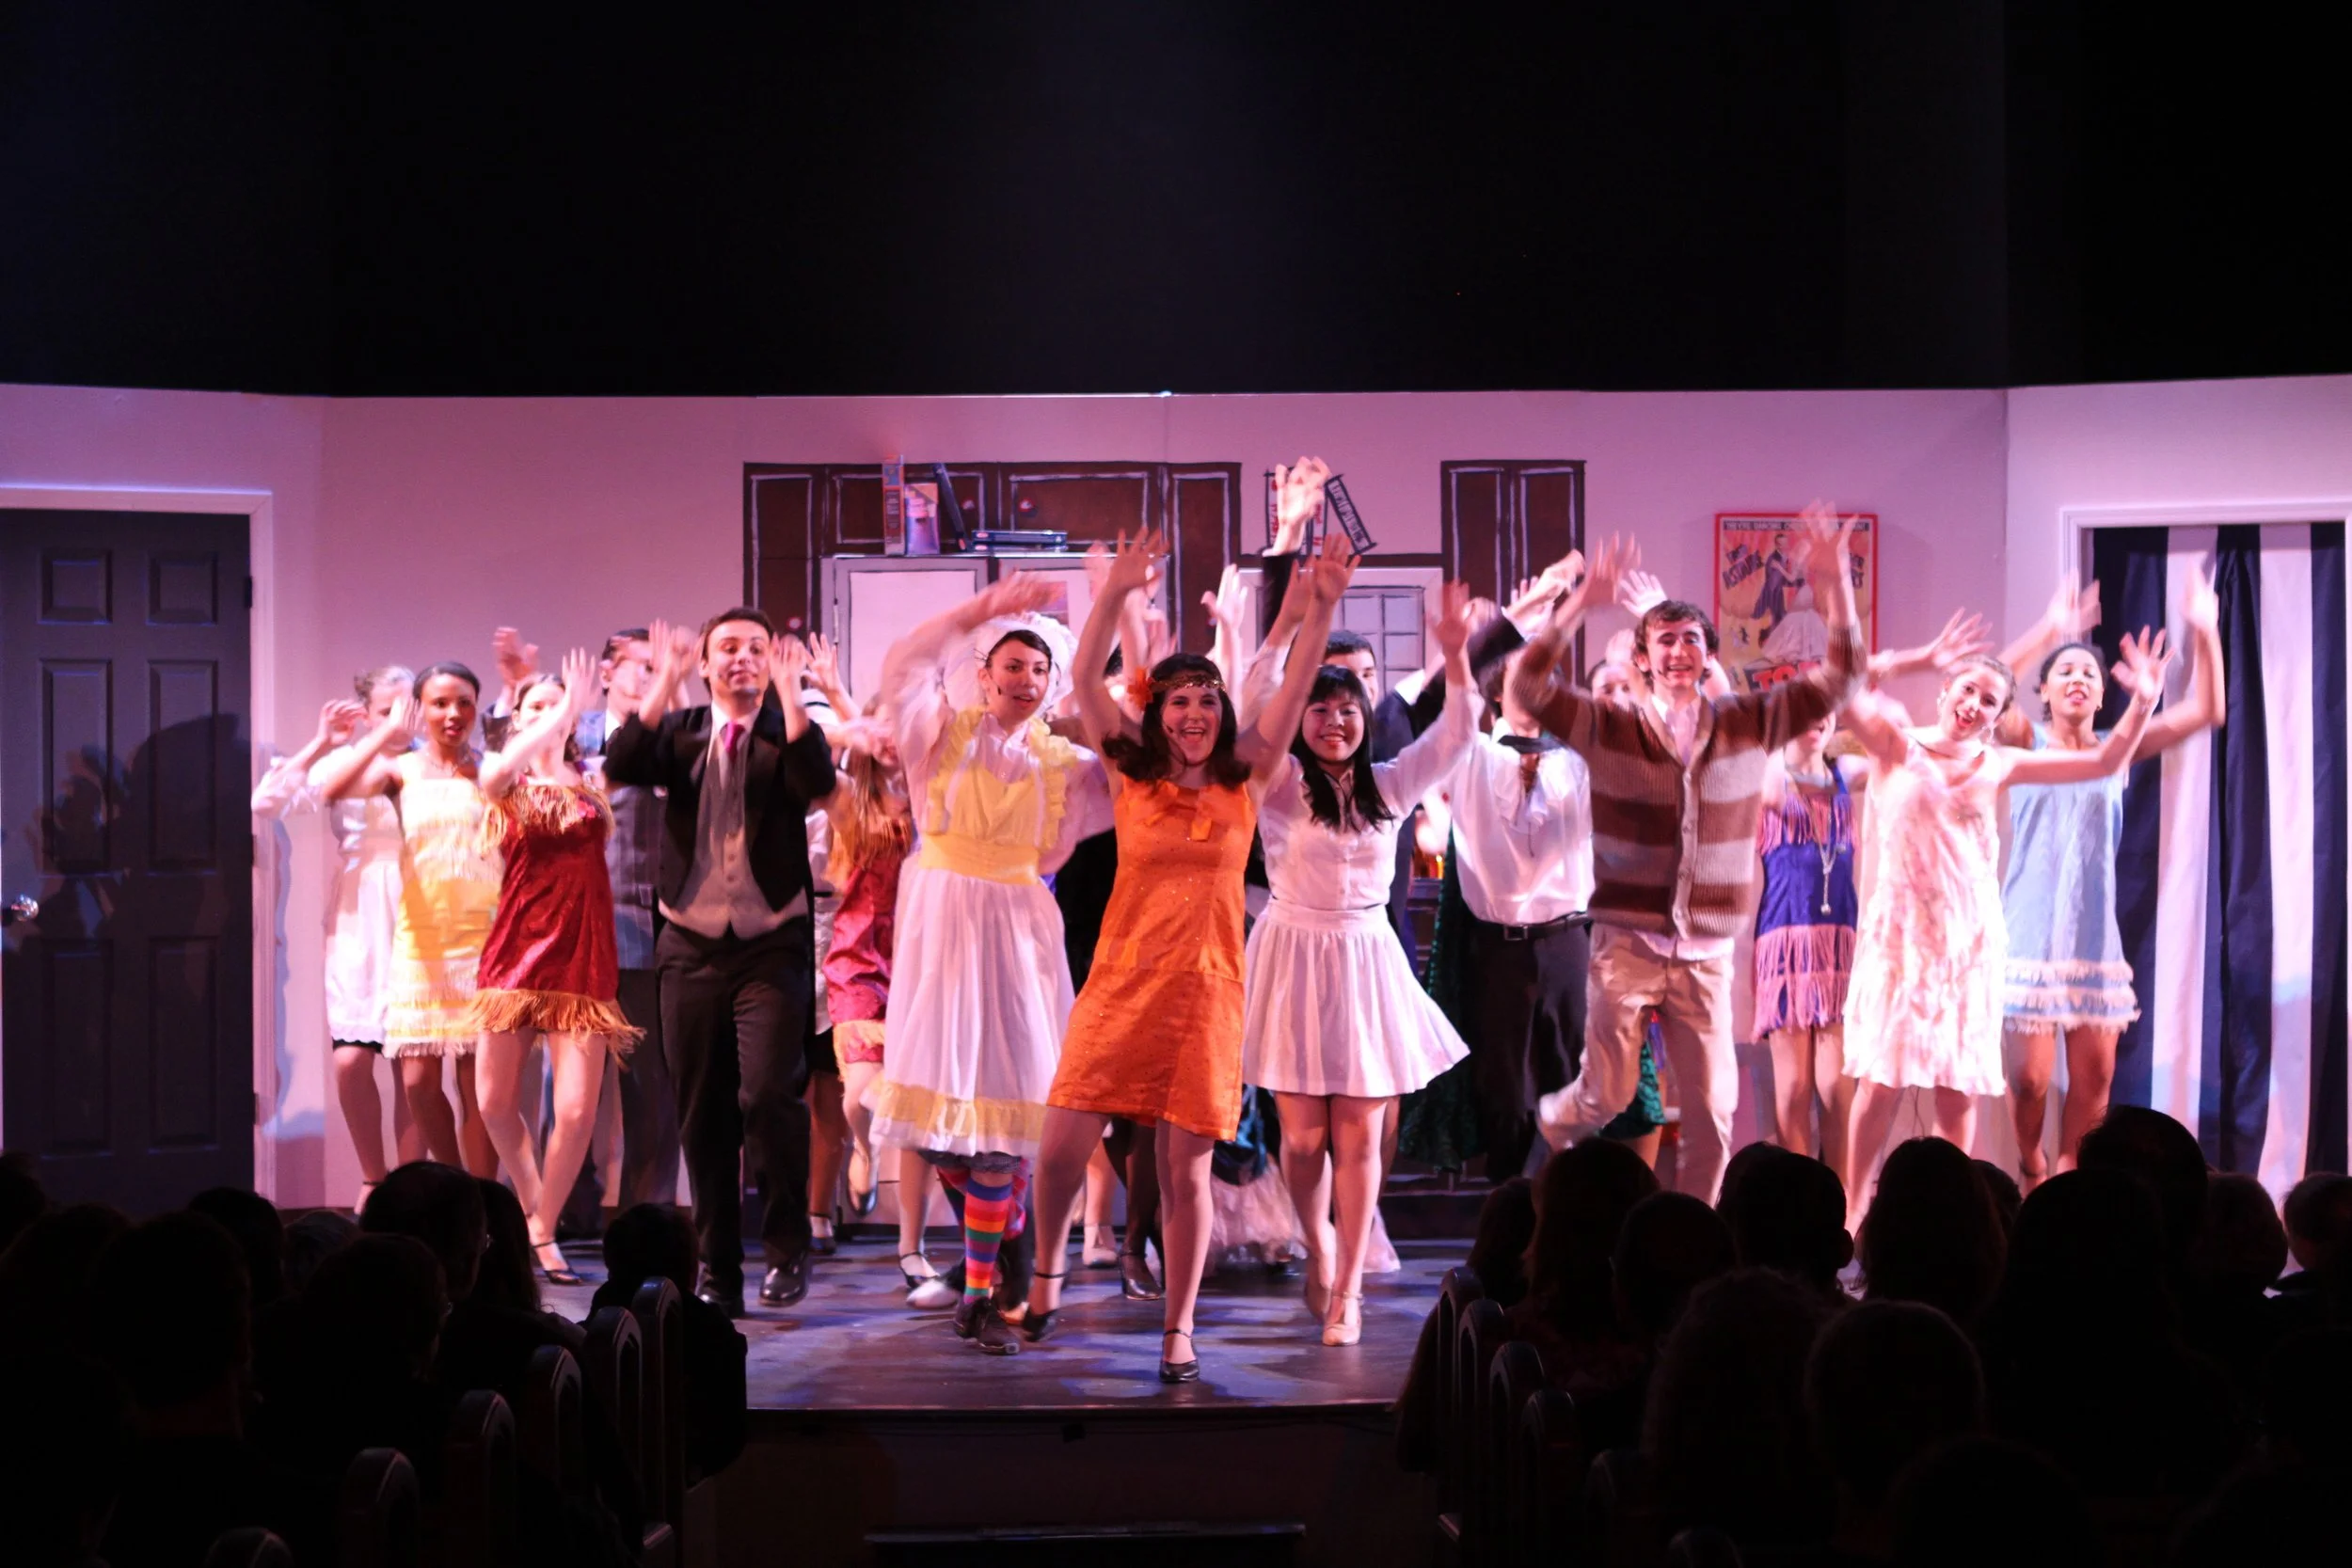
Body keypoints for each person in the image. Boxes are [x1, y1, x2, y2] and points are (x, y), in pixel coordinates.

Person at [1023, 526, 1353, 1380]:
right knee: (1061, 1147)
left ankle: (1179, 1327)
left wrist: (1322, 606)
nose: (1197, 714)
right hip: (1120, 980)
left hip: (1207, 990)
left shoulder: (1251, 772)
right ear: (1159, 714)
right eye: (1180, 702)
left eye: (1209, 701)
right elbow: (1089, 674)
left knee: (1183, 1173)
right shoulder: (1132, 773)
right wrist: (1116, 590)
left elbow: (1288, 692)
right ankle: (1048, 1277)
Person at [1517, 509, 1864, 1202]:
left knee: (1713, 1115)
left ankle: (1692, 1240)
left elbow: (1842, 677)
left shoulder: (1747, 721)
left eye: (1691, 640)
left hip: (1705, 953)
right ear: (1642, 657)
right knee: (1608, 1094)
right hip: (1627, 943)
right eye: (1664, 639)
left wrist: (1834, 586)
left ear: (1709, 654)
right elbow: (1528, 689)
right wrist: (1580, 603)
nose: (1679, 650)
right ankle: (1557, 1117)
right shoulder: (1609, 724)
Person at [865, 573, 1115, 1354]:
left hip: (1018, 930)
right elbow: (904, 664)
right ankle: (1001, 1226)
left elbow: (1133, 756)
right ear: (983, 672)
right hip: (943, 923)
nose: (1025, 680)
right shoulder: (936, 734)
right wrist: (979, 611)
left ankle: (976, 1291)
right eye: (1011, 665)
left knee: (1004, 1123)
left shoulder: (1064, 762)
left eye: (1039, 670)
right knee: (939, 1130)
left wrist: (1120, 619)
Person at [1839, 633, 2169, 1222]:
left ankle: (1944, 1221)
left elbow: (2105, 760)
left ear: (1999, 716)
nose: (1974, 704)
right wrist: (1904, 656)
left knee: (1957, 1089)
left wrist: (2144, 701)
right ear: (1945, 692)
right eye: (1967, 690)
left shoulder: (2000, 761)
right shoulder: (1898, 744)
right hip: (1899, 944)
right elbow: (1842, 695)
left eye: (1989, 700)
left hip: (1968, 946)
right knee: (1880, 1086)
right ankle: (1851, 1214)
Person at [1247, 569, 1480, 1348]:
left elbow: (1456, 735)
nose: (1335, 721)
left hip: (1367, 958)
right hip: (1293, 954)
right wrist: (1292, 623)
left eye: (1347, 710)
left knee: (1357, 1135)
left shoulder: (1389, 783)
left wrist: (1455, 655)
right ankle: (1315, 1245)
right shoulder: (1278, 785)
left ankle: (1347, 1285)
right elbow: (1254, 706)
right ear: (1302, 718)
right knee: (1305, 1139)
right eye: (1320, 709)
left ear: (1363, 718)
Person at [604, 610, 837, 1316]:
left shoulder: (787, 729)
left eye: (755, 649)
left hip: (771, 941)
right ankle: (719, 1266)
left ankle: (787, 1246)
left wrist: (792, 694)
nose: (741, 658)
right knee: (702, 1111)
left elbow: (815, 783)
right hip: (690, 941)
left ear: (771, 661)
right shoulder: (680, 732)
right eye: (726, 648)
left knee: (768, 1093)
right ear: (705, 664)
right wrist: (665, 680)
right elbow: (621, 764)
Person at [1995, 568, 2227, 1182]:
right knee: (2029, 1078)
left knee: (2094, 1085)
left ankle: (2069, 1179)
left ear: (2103, 697)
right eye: (2065, 671)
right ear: (2042, 692)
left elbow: (2207, 708)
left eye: (2089, 674)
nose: (2078, 679)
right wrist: (2049, 627)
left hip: (2093, 937)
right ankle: (2032, 1162)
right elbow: (1991, 685)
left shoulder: (2115, 749)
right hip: (2029, 934)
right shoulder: (2024, 741)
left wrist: (2205, 630)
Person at [493, 626, 683, 1223]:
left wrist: (673, 692)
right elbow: (507, 763)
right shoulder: (579, 735)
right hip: (574, 927)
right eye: (642, 667)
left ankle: (643, 1218)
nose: (650, 678)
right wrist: (522, 692)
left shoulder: (666, 736)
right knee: (566, 1085)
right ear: (606, 673)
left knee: (650, 1082)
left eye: (660, 669)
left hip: (652, 919)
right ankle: (562, 1209)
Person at [470, 650, 641, 1285]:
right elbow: (498, 771)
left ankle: (540, 1227)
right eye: (533, 708)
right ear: (517, 718)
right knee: (493, 1099)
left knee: (574, 1111)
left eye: (558, 706)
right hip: (516, 951)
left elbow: (638, 729)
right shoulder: (504, 774)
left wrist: (587, 705)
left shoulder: (592, 776)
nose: (550, 715)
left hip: (582, 954)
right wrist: (555, 707)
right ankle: (532, 1203)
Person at [318, 662, 502, 1176]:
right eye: (440, 703)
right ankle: (450, 1187)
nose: (453, 714)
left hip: (482, 943)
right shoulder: (401, 770)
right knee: (420, 1083)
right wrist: (383, 734)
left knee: (475, 1087)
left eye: (464, 702)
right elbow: (334, 789)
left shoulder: (489, 770)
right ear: (421, 711)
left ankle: (481, 1202)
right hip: (421, 944)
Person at [251, 672, 421, 1211]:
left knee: (413, 1059)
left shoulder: (428, 761)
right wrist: (327, 740)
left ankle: (411, 1189)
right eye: (390, 708)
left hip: (420, 908)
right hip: (358, 917)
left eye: (409, 706)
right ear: (366, 712)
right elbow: (267, 801)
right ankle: (374, 1177)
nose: (403, 718)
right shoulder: (343, 763)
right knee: (352, 1058)